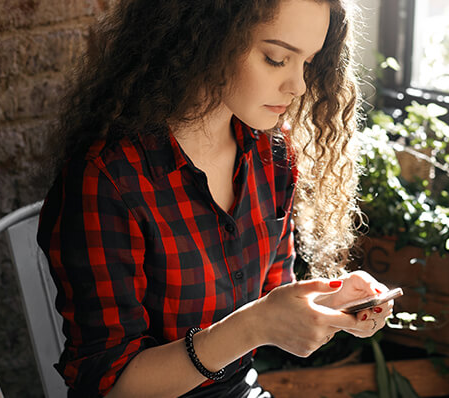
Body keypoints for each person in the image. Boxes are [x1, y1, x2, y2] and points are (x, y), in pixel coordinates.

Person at [36, 0, 394, 396]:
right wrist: (255, 324)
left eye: (308, 63)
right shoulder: (109, 180)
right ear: (207, 39)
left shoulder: (270, 154)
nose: (299, 86)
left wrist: (332, 301)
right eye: (276, 59)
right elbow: (111, 386)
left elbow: (270, 295)